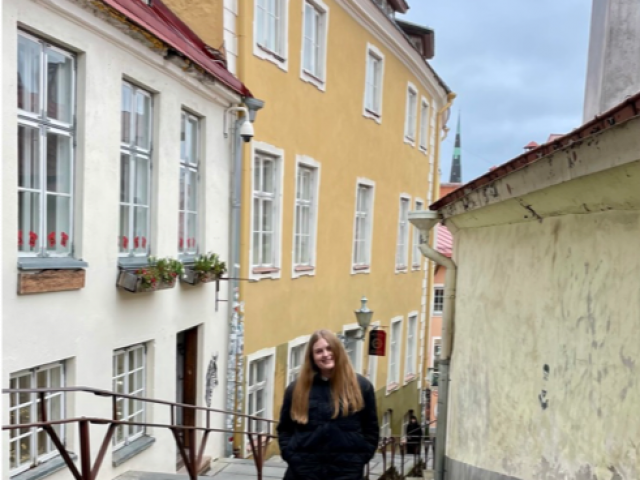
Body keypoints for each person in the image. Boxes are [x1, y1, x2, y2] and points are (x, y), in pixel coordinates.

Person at [277, 329, 379, 480]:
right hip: (303, 474)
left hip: (346, 474)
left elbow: (371, 430)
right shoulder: (296, 389)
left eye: (329, 348)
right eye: (319, 351)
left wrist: (359, 459)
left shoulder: (361, 387)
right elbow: (285, 429)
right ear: (312, 357)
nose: (325, 354)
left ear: (338, 351)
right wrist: (291, 456)